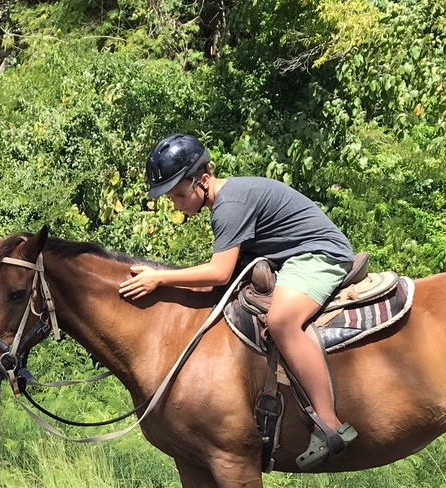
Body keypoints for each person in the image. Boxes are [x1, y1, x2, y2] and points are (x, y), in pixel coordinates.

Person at [118, 134, 358, 469]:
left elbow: (218, 272)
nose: (176, 204)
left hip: (320, 255)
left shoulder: (230, 205)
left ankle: (330, 424)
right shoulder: (227, 201)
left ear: (204, 180)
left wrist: (160, 277)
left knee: (282, 321)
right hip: (292, 258)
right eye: (171, 198)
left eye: (180, 194)